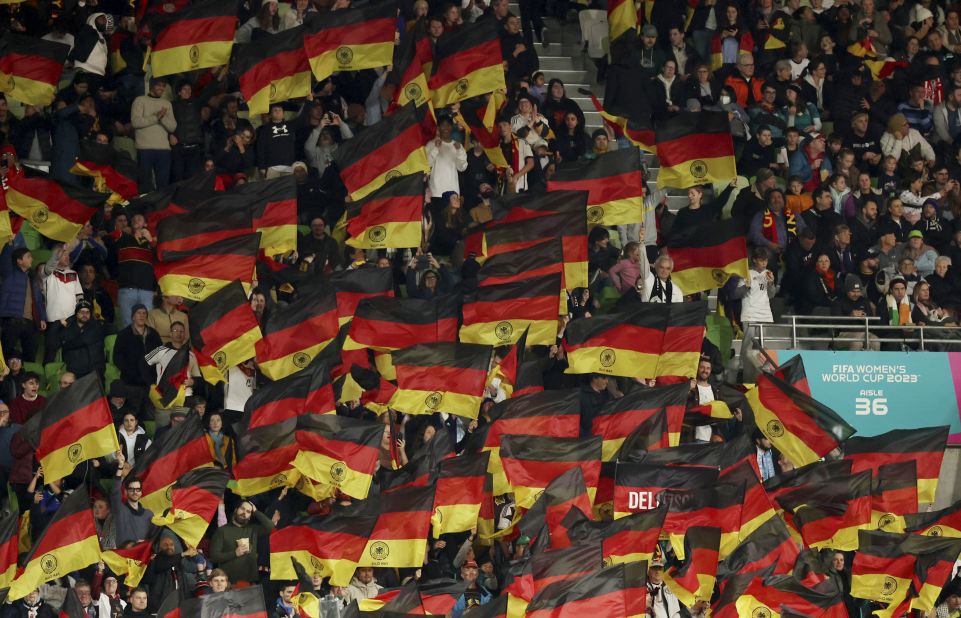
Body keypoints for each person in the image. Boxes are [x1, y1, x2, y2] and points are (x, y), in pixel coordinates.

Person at [208, 501, 275, 585]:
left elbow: (271, 527)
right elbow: (214, 557)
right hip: (229, 583)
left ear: (250, 516)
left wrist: (256, 512)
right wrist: (235, 553)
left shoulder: (253, 529)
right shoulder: (222, 531)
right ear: (236, 510)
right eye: (242, 509)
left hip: (250, 582)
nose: (244, 513)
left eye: (248, 511)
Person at [131, 77, 177, 191]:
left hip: (164, 149)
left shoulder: (166, 104)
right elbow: (135, 122)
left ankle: (161, 207)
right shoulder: (140, 100)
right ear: (152, 85)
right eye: (159, 85)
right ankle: (145, 207)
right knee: (144, 183)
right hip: (145, 148)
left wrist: (161, 118)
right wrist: (156, 117)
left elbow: (173, 127)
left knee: (163, 184)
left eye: (163, 86)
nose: (161, 88)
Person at [0, 246, 45, 362]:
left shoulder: (32, 277)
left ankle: (27, 379)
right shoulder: (10, 273)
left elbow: (38, 300)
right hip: (12, 320)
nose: (31, 259)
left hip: (30, 322)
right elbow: (6, 258)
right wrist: (10, 242)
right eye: (28, 256)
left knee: (31, 353)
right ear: (19, 261)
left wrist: (42, 318)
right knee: (5, 352)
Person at [60, 300, 106, 378]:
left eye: (87, 312)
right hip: (75, 371)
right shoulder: (69, 327)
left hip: (94, 371)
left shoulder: (96, 327)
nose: (84, 315)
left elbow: (83, 340)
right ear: (76, 313)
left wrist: (66, 345)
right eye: (81, 312)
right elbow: (61, 341)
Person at [734, 247, 778, 324]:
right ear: (754, 260)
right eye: (761, 260)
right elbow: (736, 294)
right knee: (750, 337)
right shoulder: (747, 273)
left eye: (766, 260)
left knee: (764, 336)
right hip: (749, 314)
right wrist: (746, 287)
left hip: (766, 315)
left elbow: (771, 295)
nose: (764, 263)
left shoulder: (769, 273)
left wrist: (771, 284)